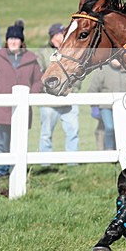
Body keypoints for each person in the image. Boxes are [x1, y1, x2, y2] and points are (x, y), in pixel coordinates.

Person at [0, 21, 42, 178]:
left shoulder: (31, 59)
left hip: (22, 111)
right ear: (6, 41)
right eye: (10, 38)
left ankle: (16, 174)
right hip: (2, 110)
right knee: (2, 143)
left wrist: (30, 95)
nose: (13, 41)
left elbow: (39, 81)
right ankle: (0, 174)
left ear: (22, 41)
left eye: (16, 38)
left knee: (19, 144)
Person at [36, 23, 80, 159]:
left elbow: (78, 72)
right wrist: (50, 89)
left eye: (61, 35)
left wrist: (73, 89)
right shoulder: (43, 53)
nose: (59, 38)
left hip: (69, 100)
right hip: (49, 102)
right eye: (56, 35)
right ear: (51, 38)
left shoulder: (72, 52)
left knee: (73, 132)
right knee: (46, 134)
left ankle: (72, 163)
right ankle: (45, 162)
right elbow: (38, 75)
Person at [87, 58, 126, 150]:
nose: (117, 61)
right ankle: (109, 151)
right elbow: (92, 90)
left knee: (125, 130)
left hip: (125, 108)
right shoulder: (101, 70)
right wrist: (94, 107)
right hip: (106, 107)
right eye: (114, 58)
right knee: (110, 128)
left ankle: (124, 150)